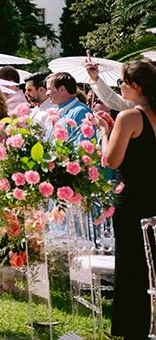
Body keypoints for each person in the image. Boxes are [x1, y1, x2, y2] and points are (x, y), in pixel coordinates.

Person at [95, 60, 156, 339]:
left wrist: (104, 133)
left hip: (133, 201)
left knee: (132, 266)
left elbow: (111, 160)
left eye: (121, 82)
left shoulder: (129, 117)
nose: (119, 87)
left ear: (135, 86)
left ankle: (135, 327)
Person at [47, 72, 91, 144]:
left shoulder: (81, 112)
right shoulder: (60, 111)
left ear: (61, 89)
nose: (47, 93)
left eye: (49, 89)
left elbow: (82, 147)